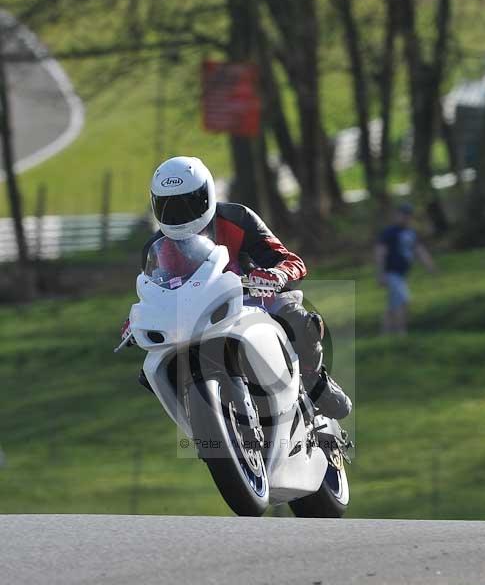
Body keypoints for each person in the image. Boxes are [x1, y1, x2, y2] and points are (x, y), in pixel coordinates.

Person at [121, 156, 351, 420]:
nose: (179, 216)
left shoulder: (238, 217)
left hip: (248, 300)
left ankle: (314, 382)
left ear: (207, 195)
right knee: (150, 372)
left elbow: (290, 261)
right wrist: (137, 318)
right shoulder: (155, 247)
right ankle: (198, 419)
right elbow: (153, 291)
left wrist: (275, 274)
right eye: (168, 207)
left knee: (298, 319)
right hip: (190, 317)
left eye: (188, 203)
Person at [375, 202, 436, 335]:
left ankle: (385, 333)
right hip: (392, 273)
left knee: (393, 305)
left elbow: (419, 250)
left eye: (408, 215)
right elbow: (381, 252)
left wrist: (429, 265)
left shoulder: (411, 233)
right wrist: (381, 273)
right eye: (403, 215)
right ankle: (401, 332)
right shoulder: (389, 233)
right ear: (397, 215)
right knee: (402, 302)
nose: (405, 218)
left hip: (402, 275)